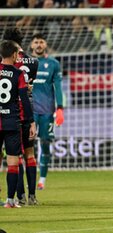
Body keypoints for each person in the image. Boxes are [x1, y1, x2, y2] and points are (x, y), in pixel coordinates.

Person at [3, 27, 39, 205]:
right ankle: (32, 196)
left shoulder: (5, 60)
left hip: (11, 112)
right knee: (29, 155)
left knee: (14, 157)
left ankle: (18, 197)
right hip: (27, 109)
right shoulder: (33, 62)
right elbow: (28, 87)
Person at [31, 33, 64, 190]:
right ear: (31, 45)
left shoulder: (53, 64)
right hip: (29, 112)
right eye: (36, 42)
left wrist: (60, 108)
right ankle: (26, 181)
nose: (38, 44)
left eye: (41, 42)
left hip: (46, 111)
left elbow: (58, 86)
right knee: (25, 145)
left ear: (45, 45)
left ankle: (42, 180)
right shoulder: (26, 62)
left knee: (45, 143)